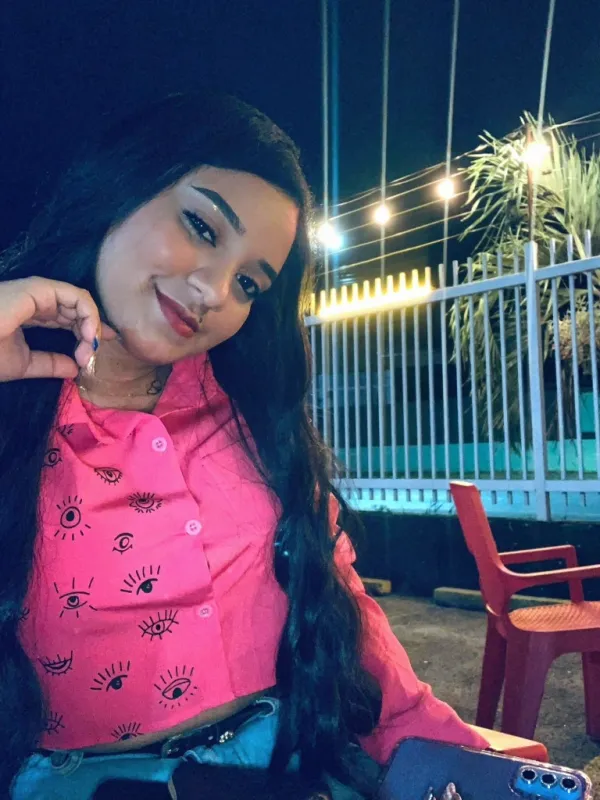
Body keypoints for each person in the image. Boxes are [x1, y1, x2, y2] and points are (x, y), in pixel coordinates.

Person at [0, 92, 488, 800]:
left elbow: (339, 606)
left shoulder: (254, 416)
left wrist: (459, 759)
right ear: (118, 187)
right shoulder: (16, 414)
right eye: (201, 226)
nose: (213, 290)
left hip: (287, 761)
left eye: (250, 282)